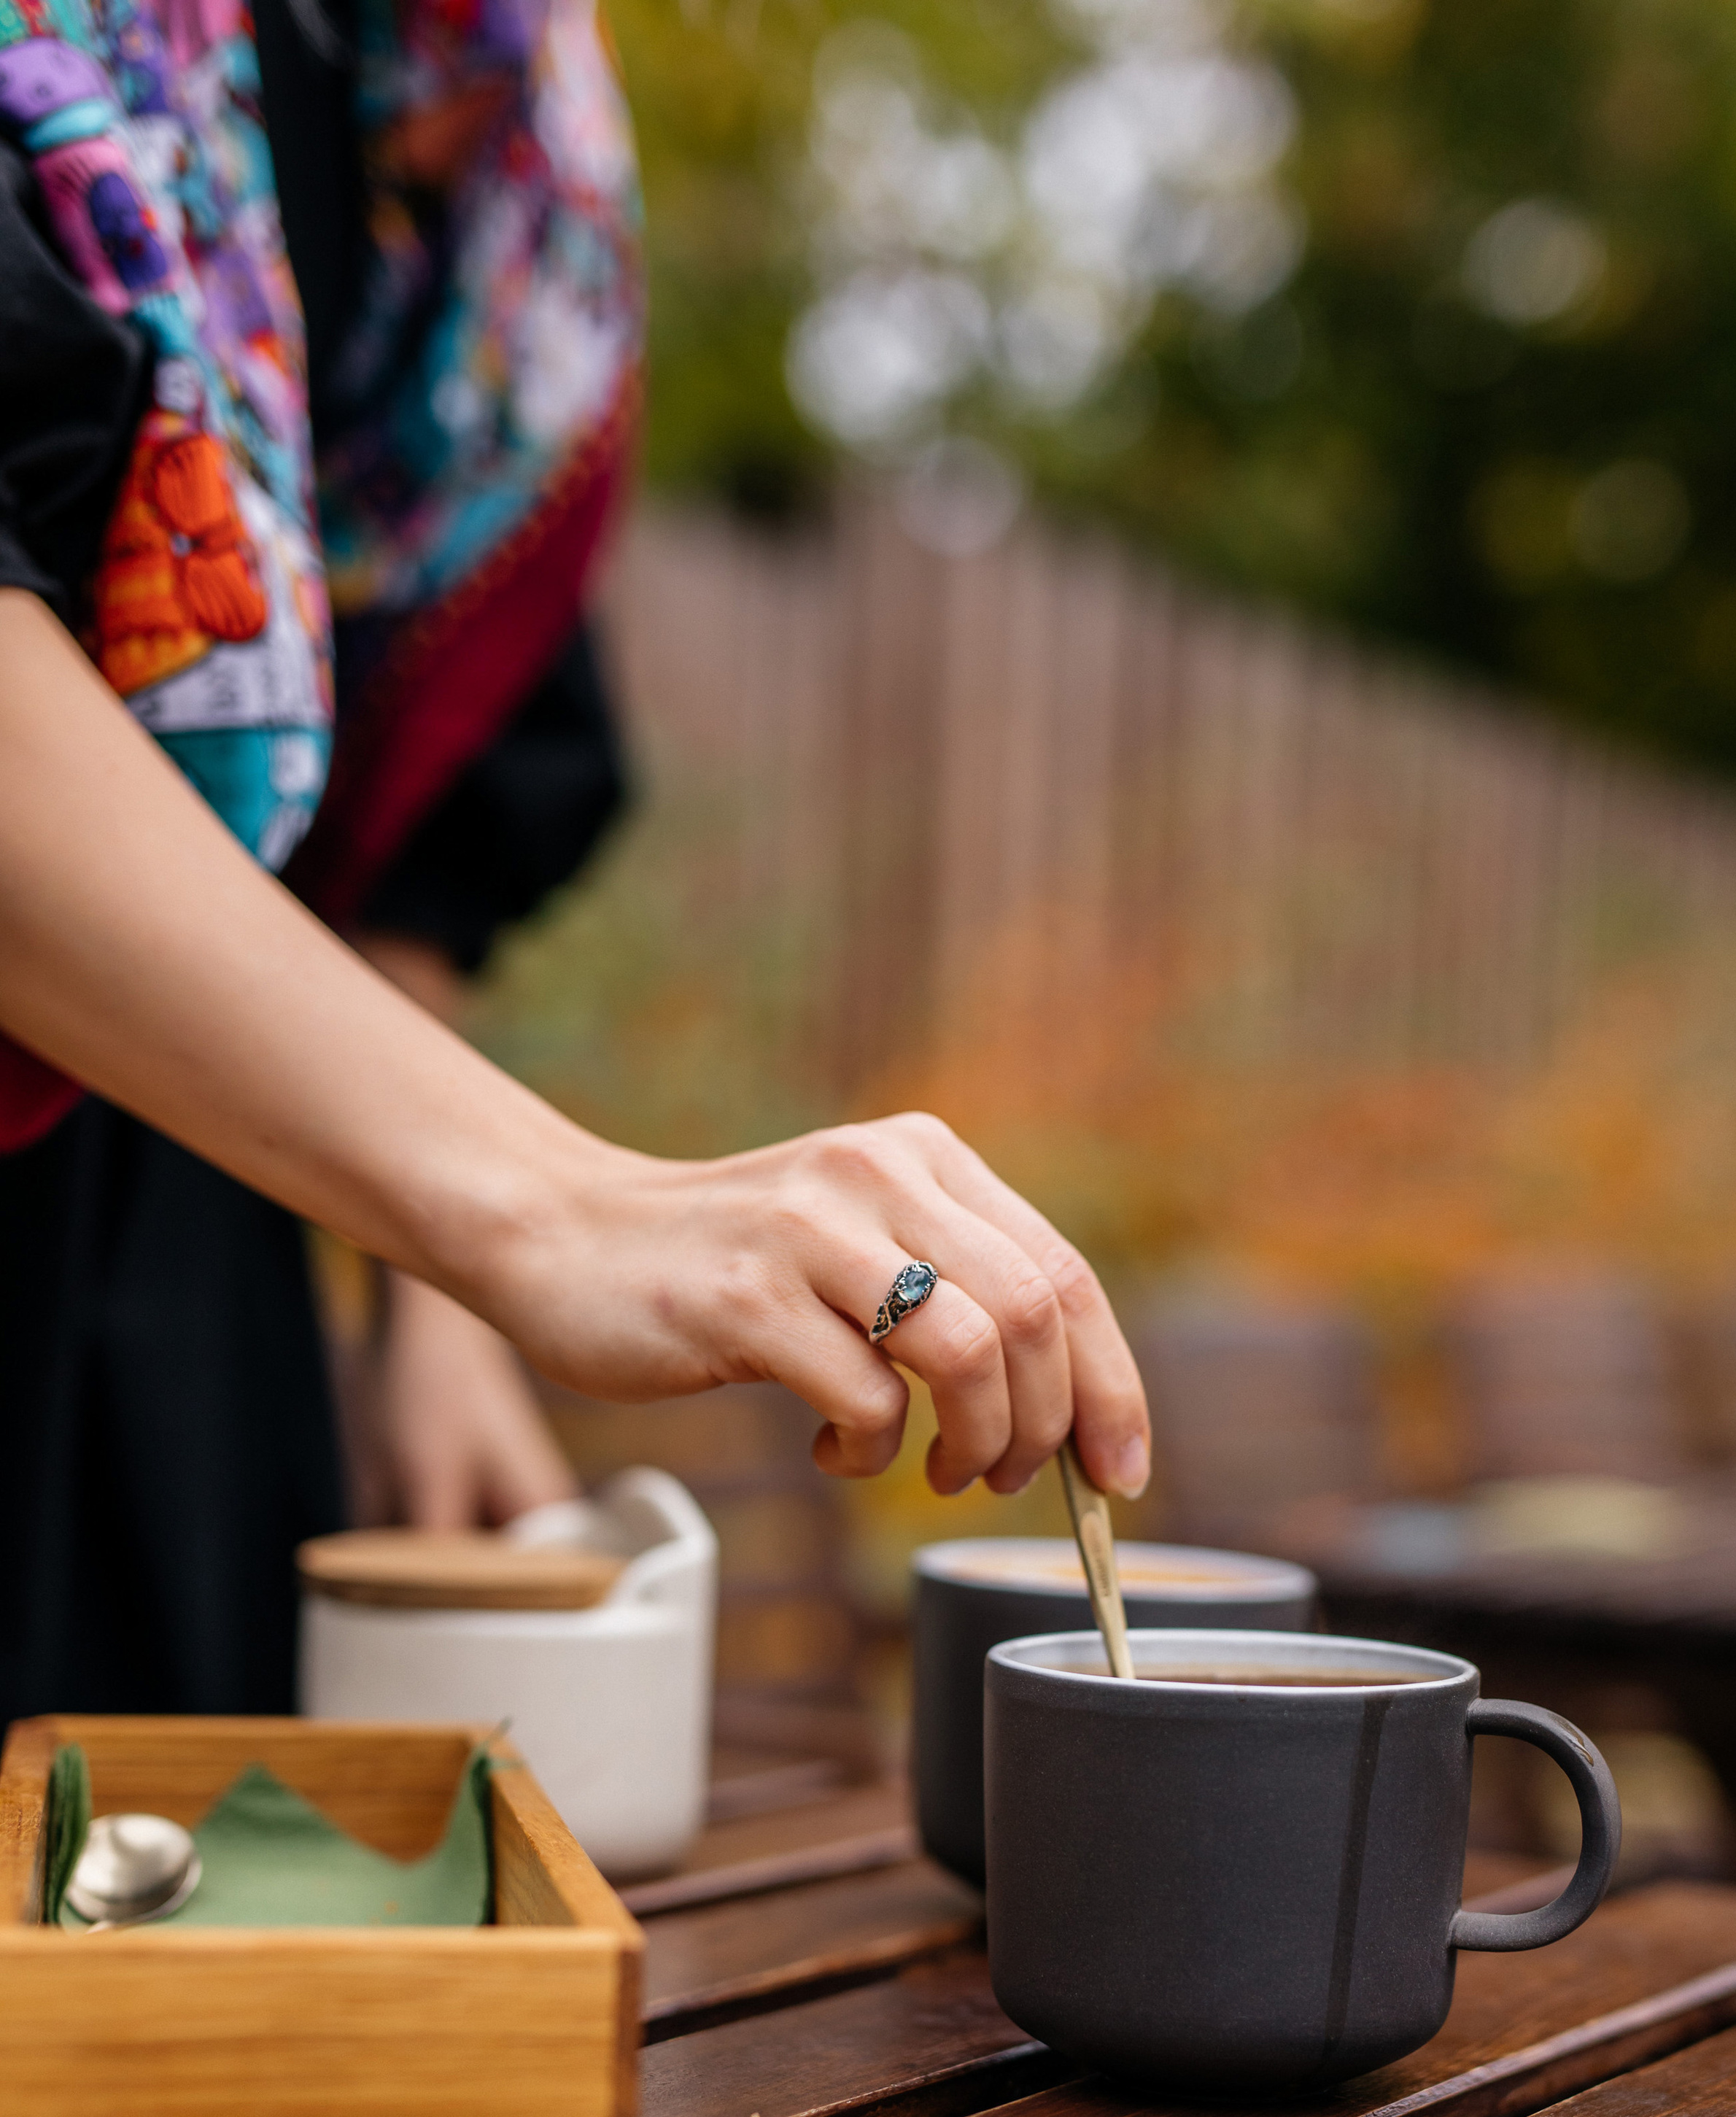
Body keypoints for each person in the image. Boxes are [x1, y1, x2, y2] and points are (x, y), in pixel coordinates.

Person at [0, 0, 1151, 1733]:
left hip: (221, 1208)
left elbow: (401, 781)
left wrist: (437, 1304)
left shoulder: (466, 79)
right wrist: (545, 1212)